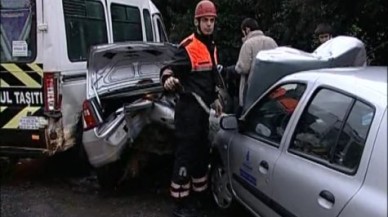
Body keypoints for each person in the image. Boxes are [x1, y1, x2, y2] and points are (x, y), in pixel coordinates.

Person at [160, 1, 223, 216]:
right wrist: (167, 80)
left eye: (211, 20)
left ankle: (199, 199)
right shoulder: (188, 46)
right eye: (205, 20)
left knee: (201, 156)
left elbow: (211, 77)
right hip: (187, 113)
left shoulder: (212, 46)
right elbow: (169, 69)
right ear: (197, 22)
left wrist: (215, 98)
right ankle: (180, 203)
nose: (208, 24)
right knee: (185, 156)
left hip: (203, 113)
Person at [235, 18, 278, 115]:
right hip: (271, 88)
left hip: (251, 90)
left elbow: (243, 68)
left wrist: (236, 68)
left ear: (247, 30)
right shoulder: (272, 41)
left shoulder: (248, 44)